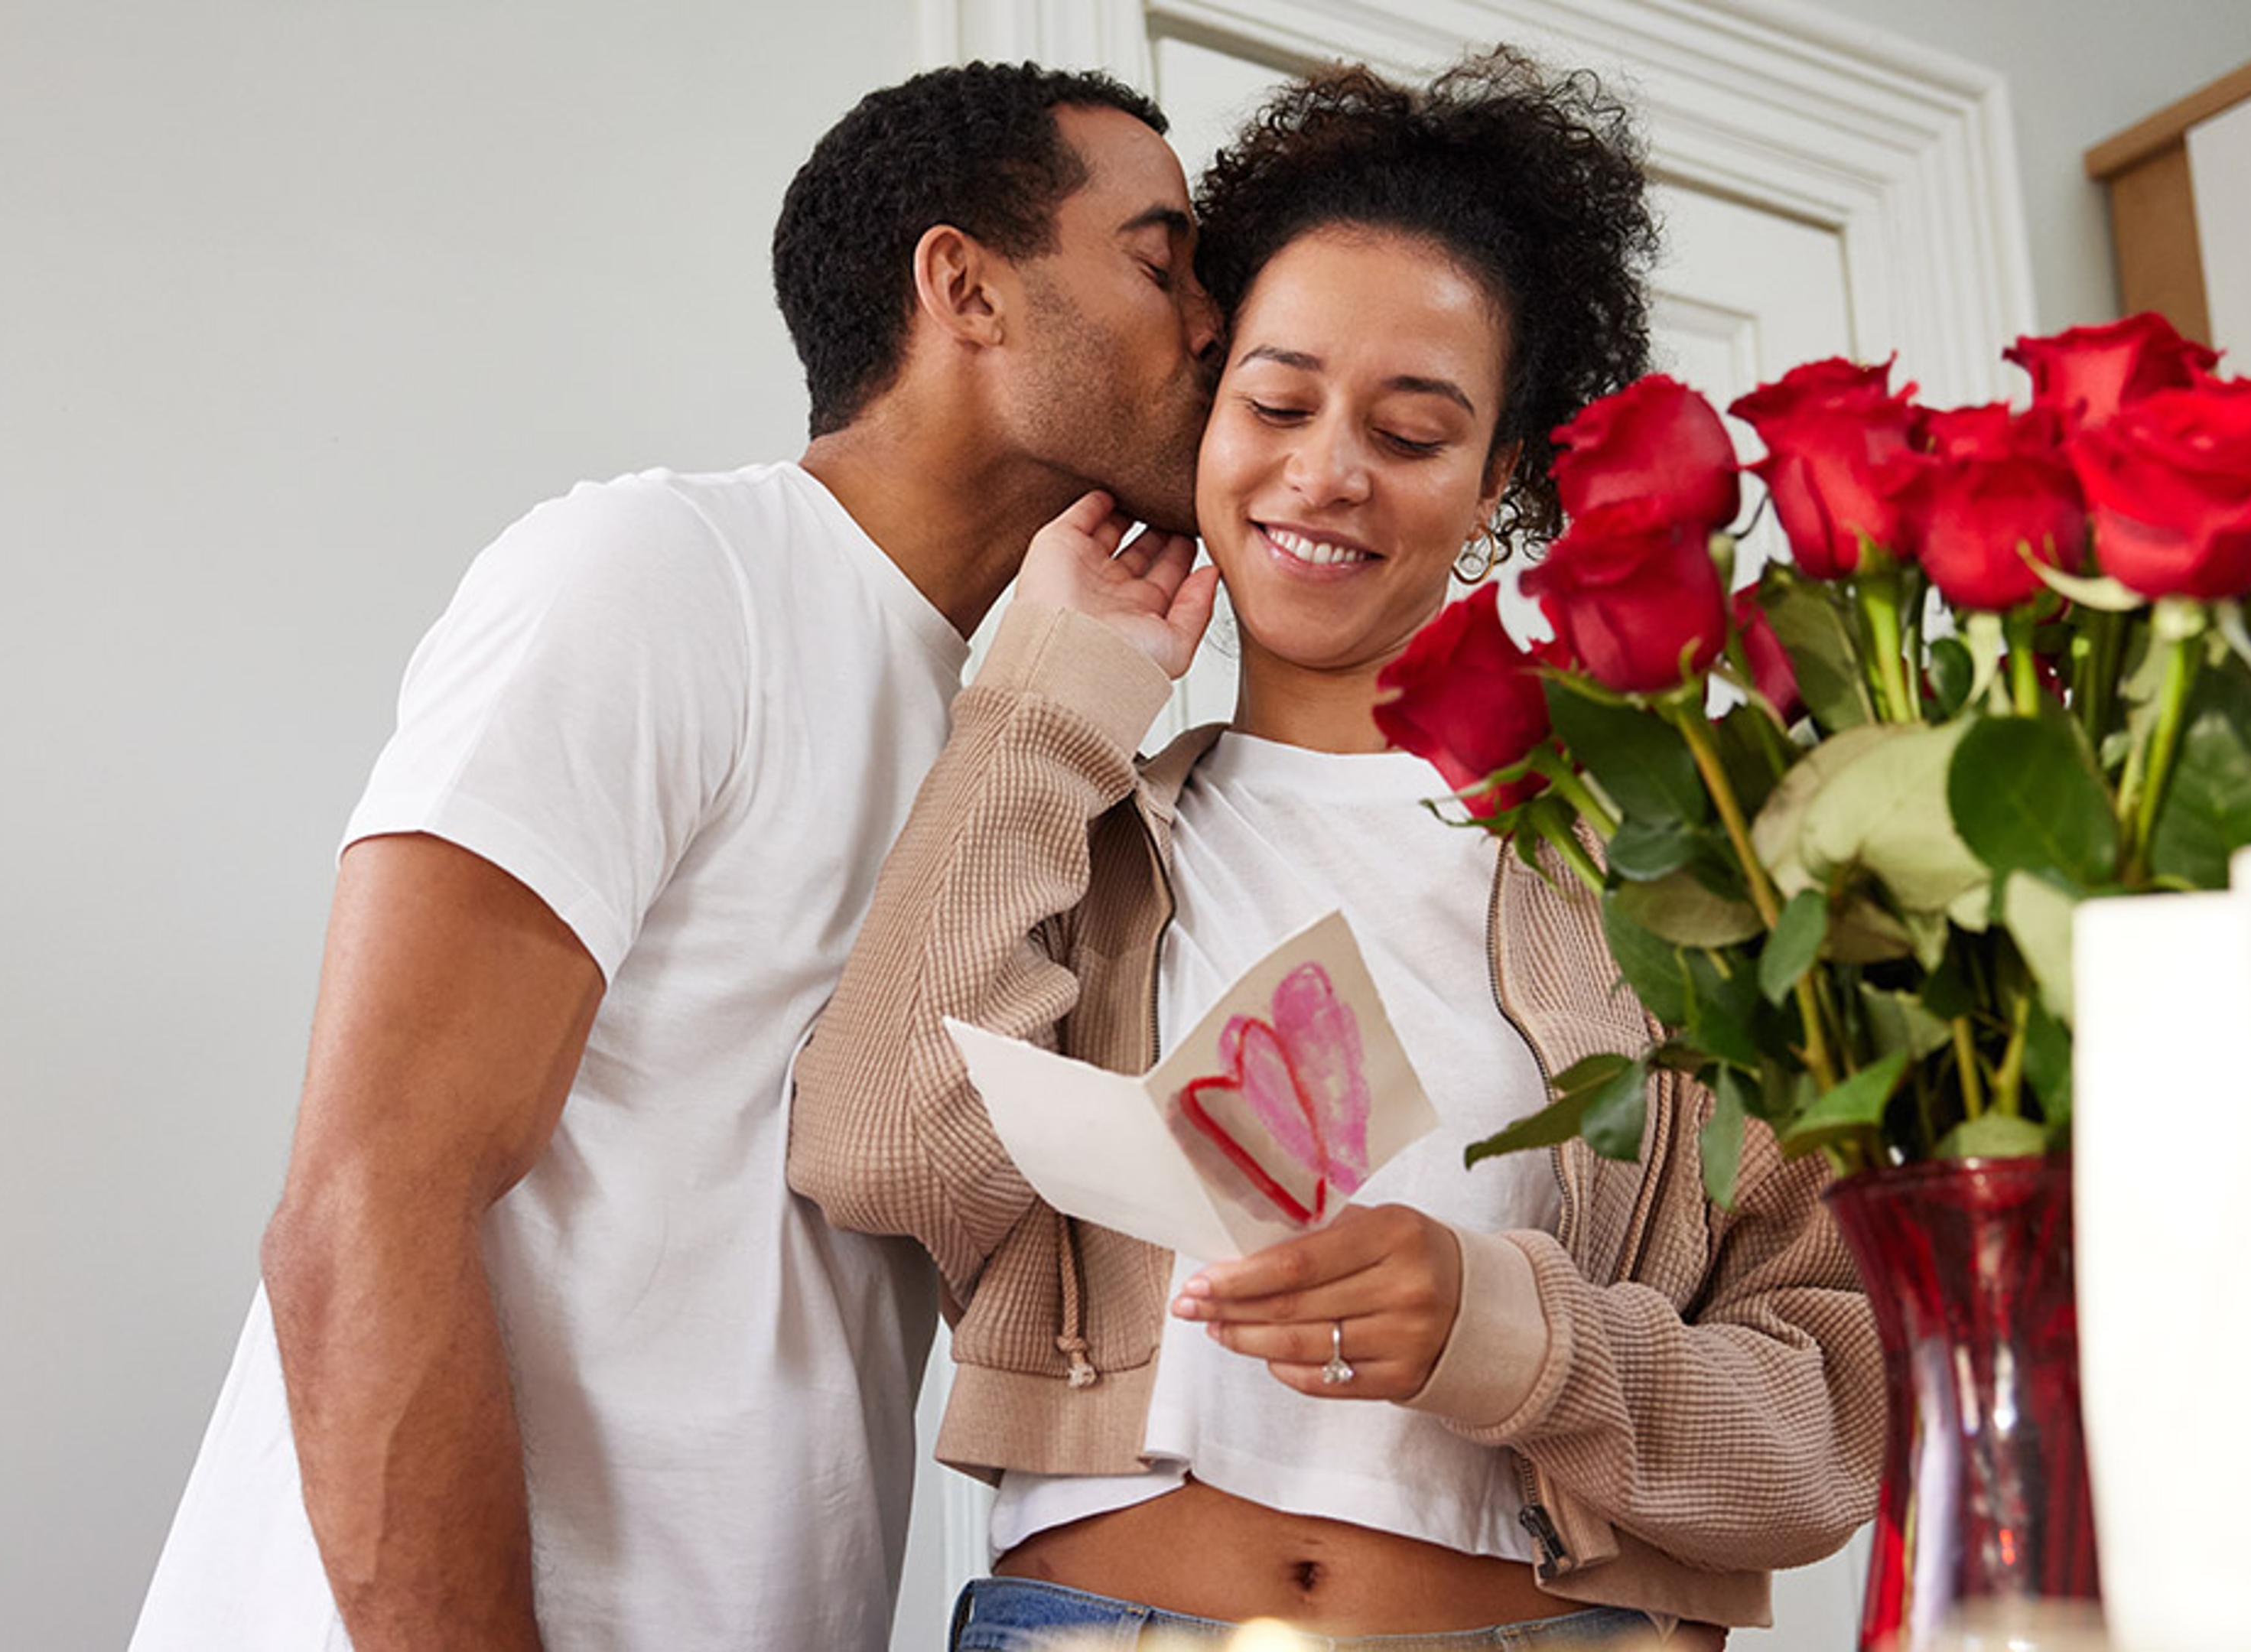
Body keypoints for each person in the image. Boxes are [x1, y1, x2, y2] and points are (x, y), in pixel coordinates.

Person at [789, 53, 1881, 1650]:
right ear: (1209, 411)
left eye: (1414, 430)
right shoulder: (1075, 828)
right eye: (1279, 402)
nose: (1327, 473)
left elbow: (1829, 1431)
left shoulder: (1677, 875)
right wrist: (1038, 709)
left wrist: (1510, 1335)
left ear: (1499, 477)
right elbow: (875, 1153)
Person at [129, 61, 1222, 1652]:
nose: (1211, 318)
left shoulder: (1018, 738)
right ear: (964, 288)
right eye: (1161, 256)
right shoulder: (656, 574)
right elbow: (366, 1205)